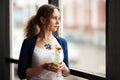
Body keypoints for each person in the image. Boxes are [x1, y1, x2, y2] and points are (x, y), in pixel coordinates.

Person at [18, 4, 70, 80]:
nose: (58, 22)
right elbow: (21, 74)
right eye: (54, 18)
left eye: (59, 18)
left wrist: (64, 68)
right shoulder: (28, 43)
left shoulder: (62, 42)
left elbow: (66, 73)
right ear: (43, 20)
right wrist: (43, 67)